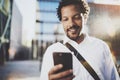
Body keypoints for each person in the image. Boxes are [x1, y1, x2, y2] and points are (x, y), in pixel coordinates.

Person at [40, 0, 120, 80]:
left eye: (76, 17)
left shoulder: (102, 47)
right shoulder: (51, 51)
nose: (71, 24)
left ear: (85, 18)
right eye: (65, 19)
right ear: (61, 22)